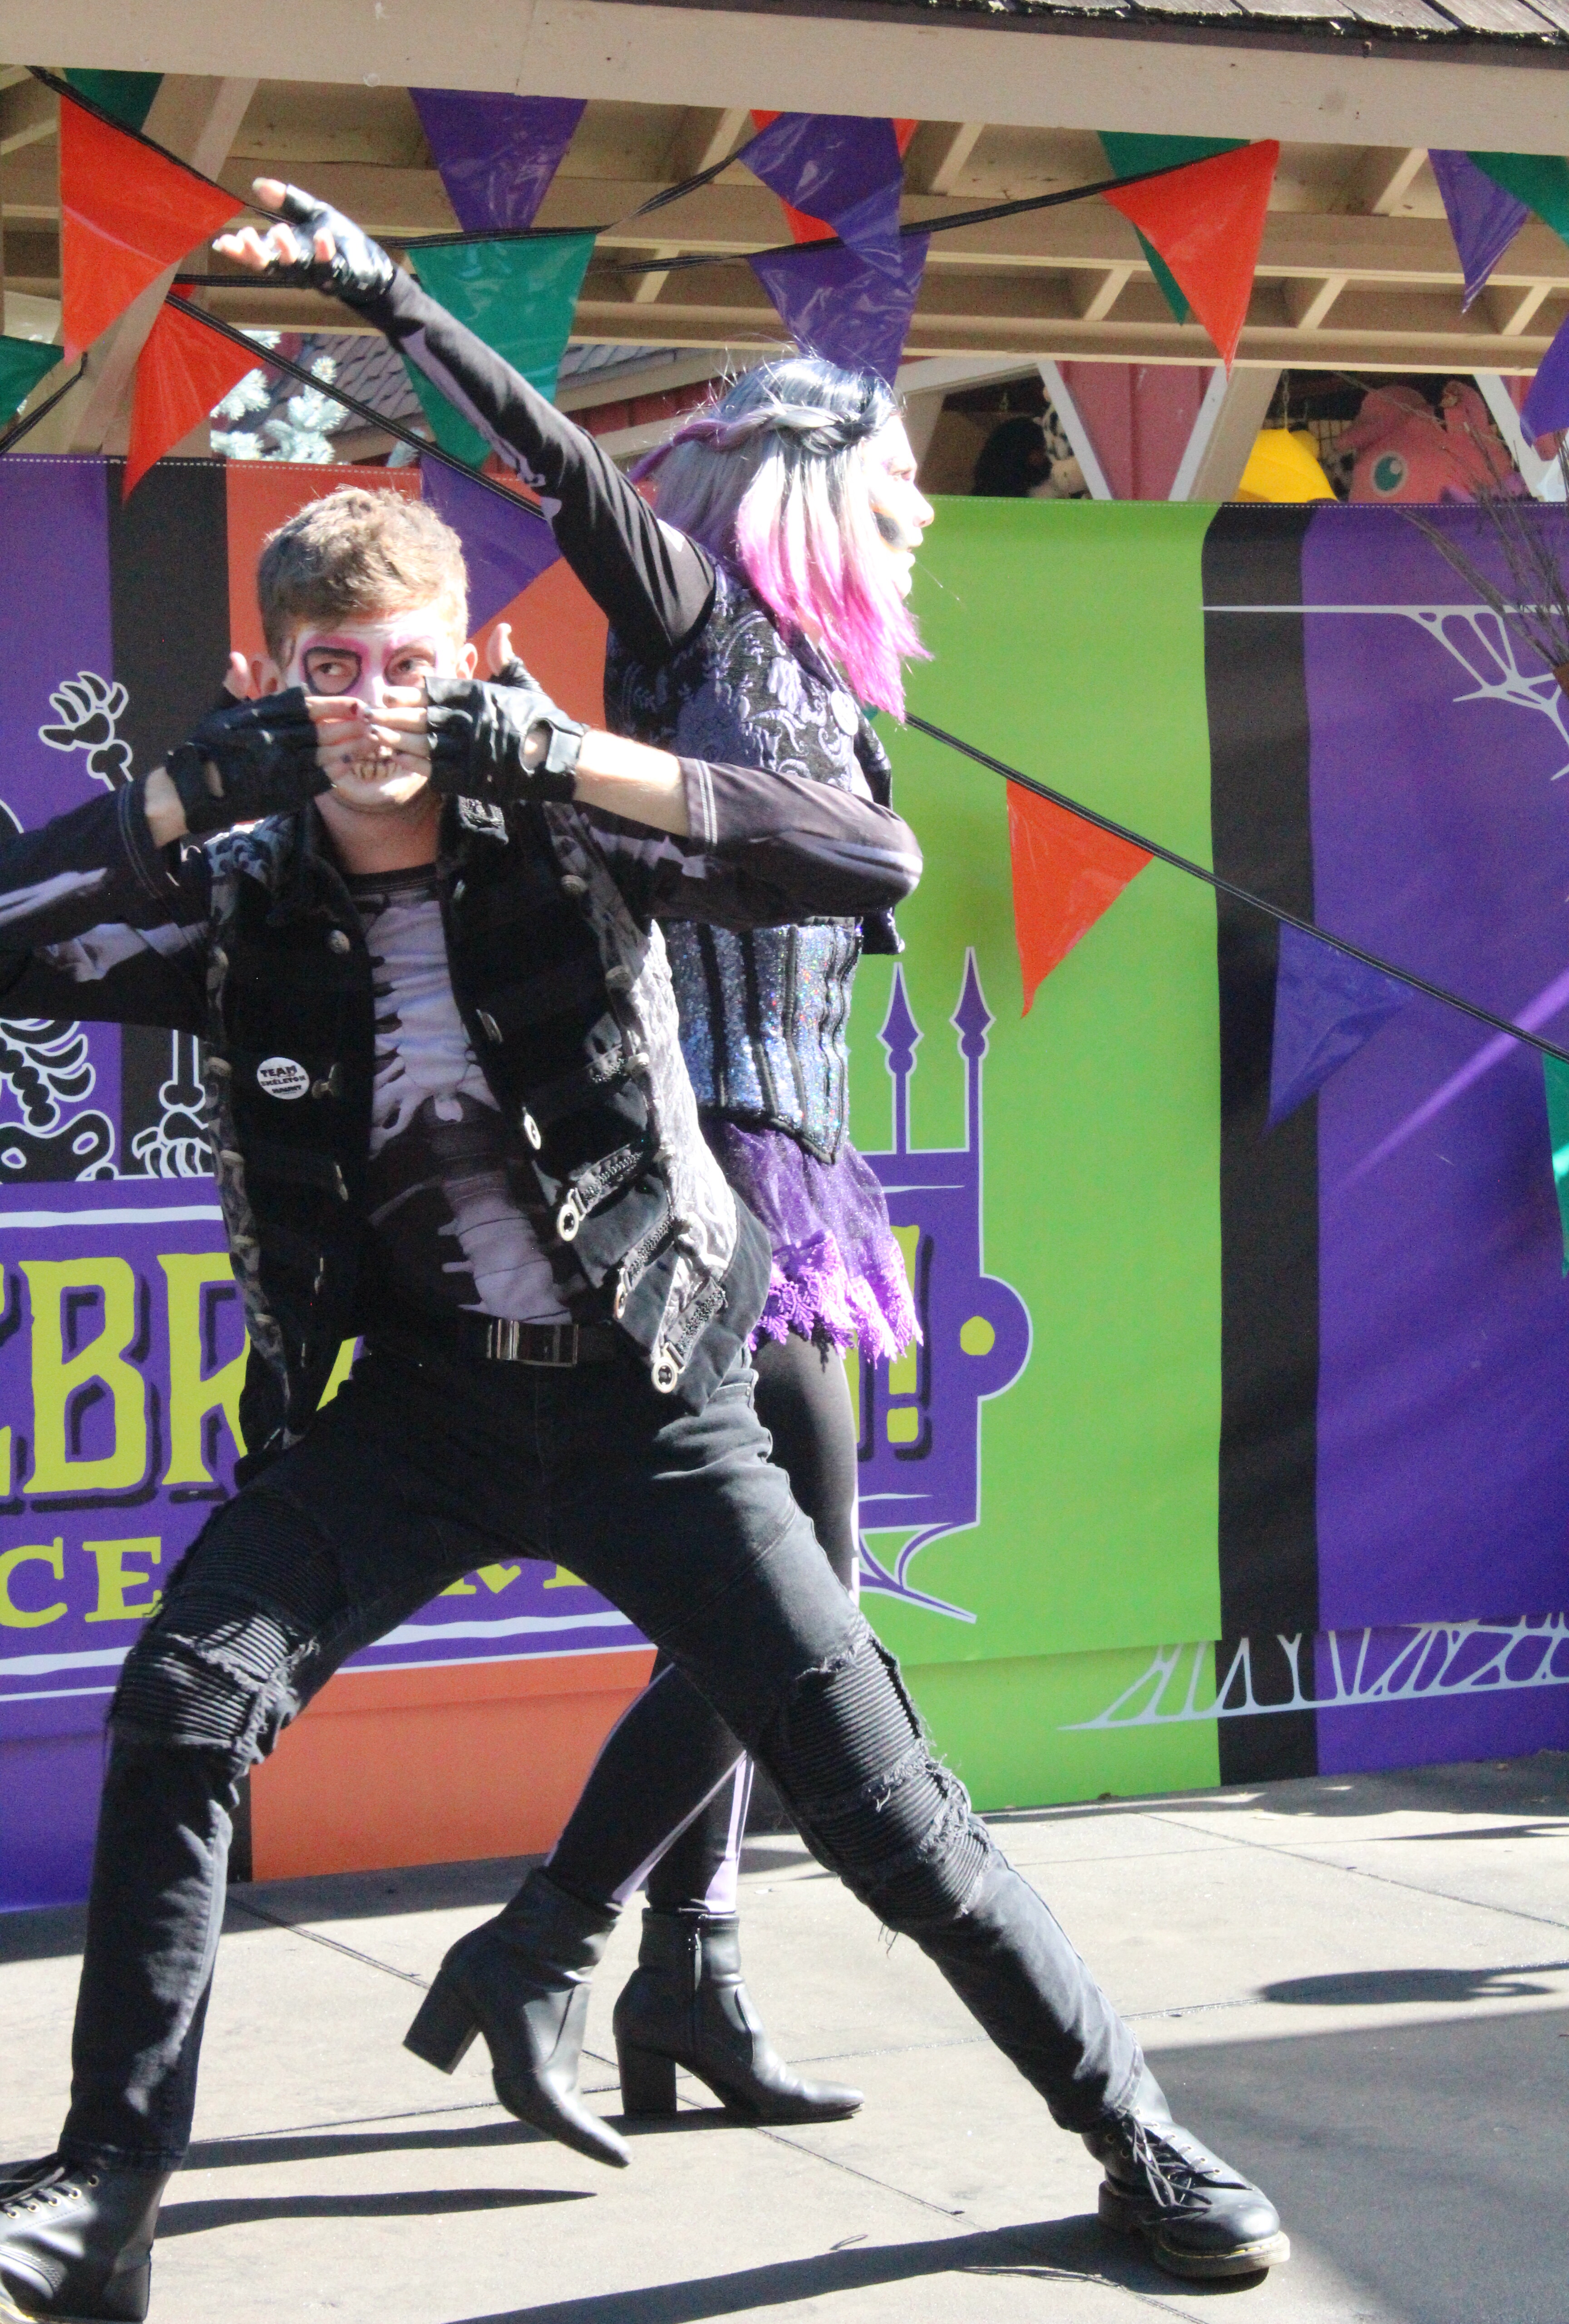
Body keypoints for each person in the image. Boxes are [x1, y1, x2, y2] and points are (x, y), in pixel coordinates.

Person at [0, 487, 1285, 2321]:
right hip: (416, 1413)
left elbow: (865, 859)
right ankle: (110, 2184)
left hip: (655, 1395)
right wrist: (180, 799)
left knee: (884, 1800)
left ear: (472, 665)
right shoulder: (243, 898)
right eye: (329, 672)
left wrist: (572, 754)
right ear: (268, 684)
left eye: (407, 668)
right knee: (185, 1704)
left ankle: (1138, 2132)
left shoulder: (566, 839)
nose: (372, 708)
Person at [217, 182, 932, 2132]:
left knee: (778, 1615)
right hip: (709, 1180)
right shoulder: (694, 617)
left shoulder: (828, 693)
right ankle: (558, 1940)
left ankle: (681, 1969)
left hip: (794, 1159)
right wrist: (388, 292)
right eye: (893, 491)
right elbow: (551, 456)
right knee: (800, 1614)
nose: (916, 522)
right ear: (810, 494)